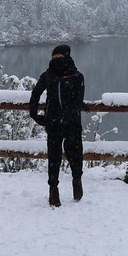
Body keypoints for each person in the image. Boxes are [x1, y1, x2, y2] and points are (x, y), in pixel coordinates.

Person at [29, 44, 86, 208]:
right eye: (54, 58)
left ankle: (77, 180)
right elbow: (36, 93)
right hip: (53, 124)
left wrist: (64, 116)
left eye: (60, 57)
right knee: (53, 158)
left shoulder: (77, 76)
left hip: (72, 124)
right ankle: (53, 191)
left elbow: (77, 101)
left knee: (75, 155)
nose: (56, 60)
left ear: (67, 56)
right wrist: (34, 113)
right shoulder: (48, 75)